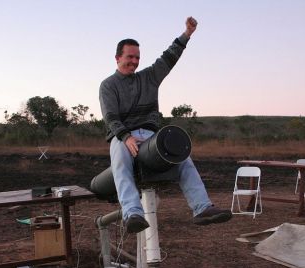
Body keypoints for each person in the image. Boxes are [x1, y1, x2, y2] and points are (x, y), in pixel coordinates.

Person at [99, 17, 232, 233]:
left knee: (183, 157)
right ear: (117, 58)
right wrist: (126, 137)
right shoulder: (108, 85)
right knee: (120, 160)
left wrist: (187, 34)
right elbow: (110, 117)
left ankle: (202, 207)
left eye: (137, 57)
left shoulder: (150, 77)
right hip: (123, 136)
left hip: (150, 135)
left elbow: (169, 57)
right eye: (129, 57)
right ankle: (132, 213)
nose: (134, 61)